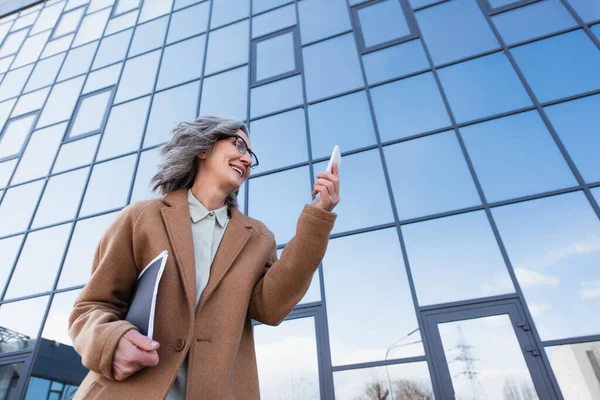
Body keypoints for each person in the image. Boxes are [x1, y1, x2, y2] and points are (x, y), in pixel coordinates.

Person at [68, 116, 340, 399]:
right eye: (239, 145)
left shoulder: (259, 238)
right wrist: (111, 341)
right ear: (203, 148)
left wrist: (318, 216)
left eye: (251, 156)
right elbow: (91, 306)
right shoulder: (141, 218)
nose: (247, 160)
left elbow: (270, 309)